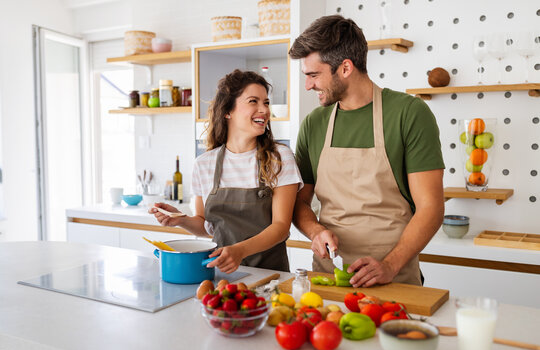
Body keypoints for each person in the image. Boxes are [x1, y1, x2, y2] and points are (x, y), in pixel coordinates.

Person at [289, 15, 445, 287]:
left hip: (394, 278)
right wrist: (315, 231)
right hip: (329, 277)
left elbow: (431, 207)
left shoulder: (408, 114)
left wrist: (389, 265)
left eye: (314, 75)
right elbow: (299, 202)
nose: (308, 85)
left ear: (346, 68)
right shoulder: (314, 124)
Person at [150, 69, 303, 273]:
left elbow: (281, 227)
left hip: (270, 276)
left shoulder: (280, 158)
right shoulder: (204, 164)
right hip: (221, 274)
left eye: (266, 102)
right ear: (228, 111)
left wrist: (239, 251)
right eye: (253, 101)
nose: (264, 110)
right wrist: (181, 220)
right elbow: (206, 227)